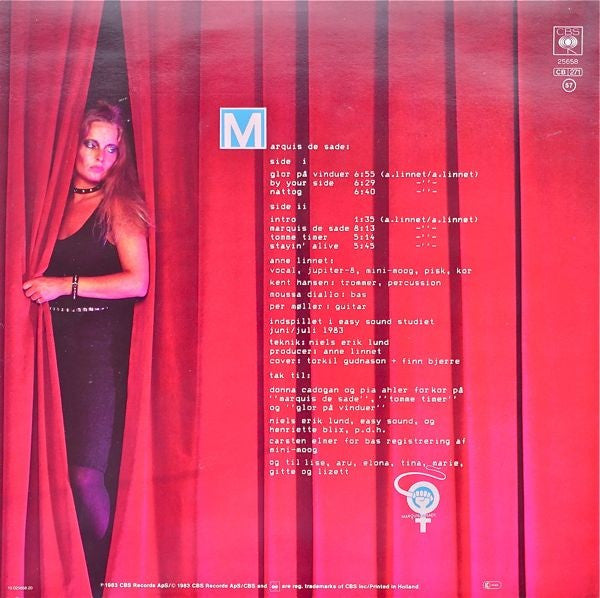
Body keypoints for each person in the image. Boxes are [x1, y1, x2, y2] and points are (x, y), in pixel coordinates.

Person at [22, 101, 149, 596]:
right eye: (91, 144)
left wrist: (64, 285)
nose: (100, 157)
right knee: (45, 470)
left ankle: (100, 582)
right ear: (70, 145)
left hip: (96, 351)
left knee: (84, 474)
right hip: (47, 346)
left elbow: (137, 282)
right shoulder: (47, 204)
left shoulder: (119, 205)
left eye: (111, 149)